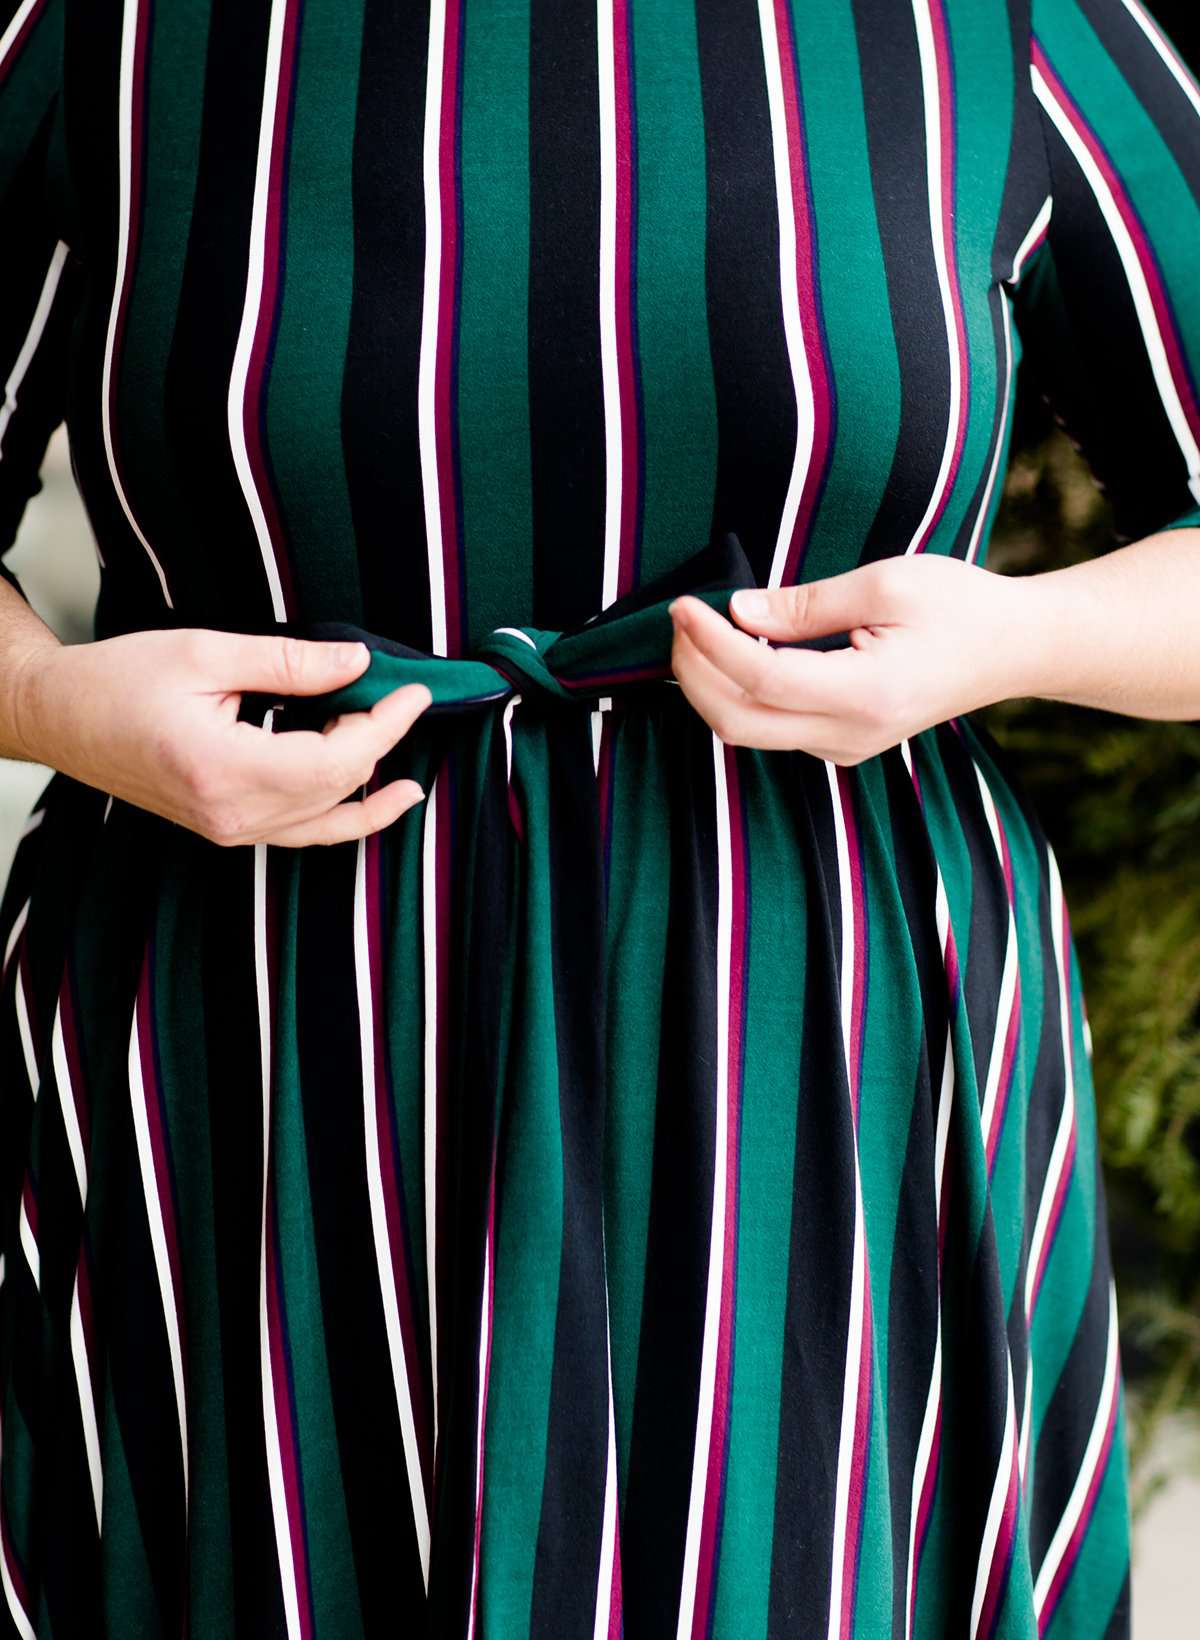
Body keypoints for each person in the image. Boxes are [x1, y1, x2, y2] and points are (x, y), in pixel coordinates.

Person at [1, 0, 1198, 1633]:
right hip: (248, 1047)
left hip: (819, 1058)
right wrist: (51, 705)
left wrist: (1015, 640)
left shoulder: (1003, 26)